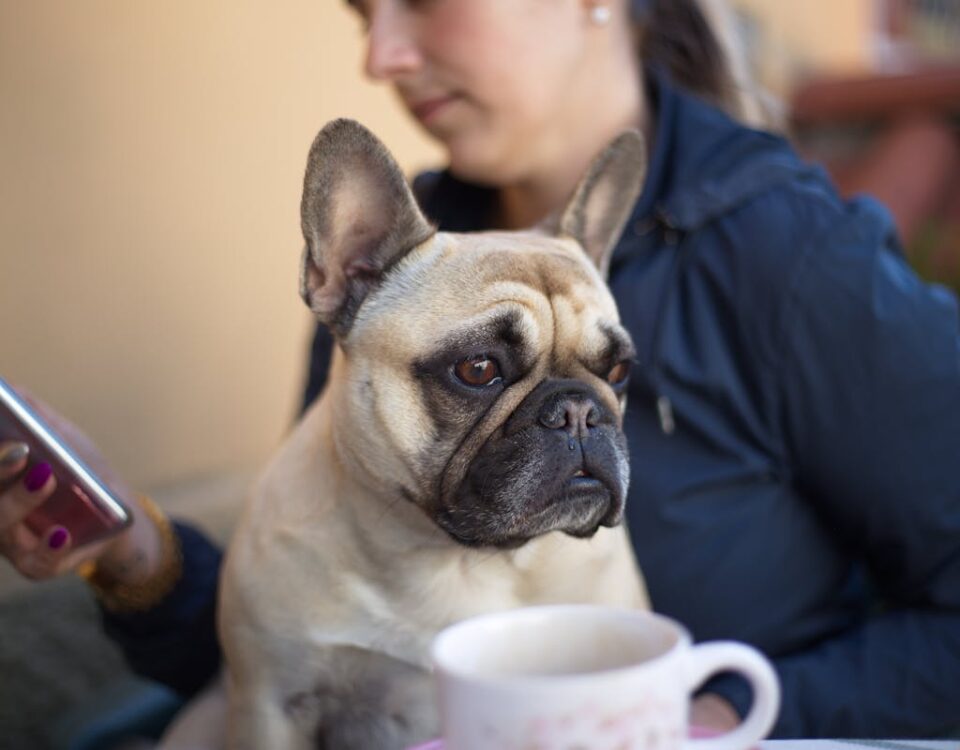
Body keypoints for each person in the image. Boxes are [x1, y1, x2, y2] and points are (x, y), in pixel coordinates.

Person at [2, 0, 959, 739]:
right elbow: (290, 657)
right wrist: (130, 547)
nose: (382, 54)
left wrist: (715, 720)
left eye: (421, 0)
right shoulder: (399, 263)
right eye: (363, 14)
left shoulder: (793, 258)